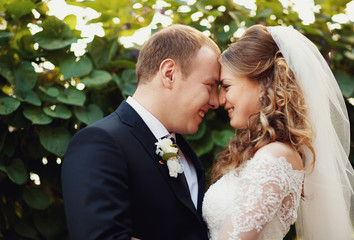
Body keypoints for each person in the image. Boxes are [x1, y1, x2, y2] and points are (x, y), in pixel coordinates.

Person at [62, 24, 220, 240]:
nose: (215, 101)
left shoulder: (183, 149)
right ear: (169, 73)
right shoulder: (100, 143)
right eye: (210, 85)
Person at [202, 24, 354, 240]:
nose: (220, 99)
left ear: (263, 84)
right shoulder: (268, 153)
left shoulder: (275, 158)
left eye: (226, 86)